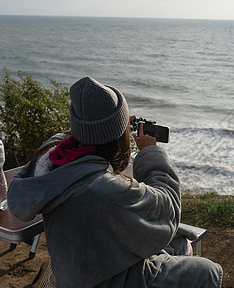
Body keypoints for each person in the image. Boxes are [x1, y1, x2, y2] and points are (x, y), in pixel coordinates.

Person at [7, 76, 222, 287]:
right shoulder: (105, 188)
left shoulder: (52, 164)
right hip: (112, 279)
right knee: (207, 271)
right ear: (117, 133)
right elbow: (167, 212)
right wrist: (150, 152)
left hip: (75, 272)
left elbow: (72, 135)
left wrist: (106, 126)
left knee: (178, 243)